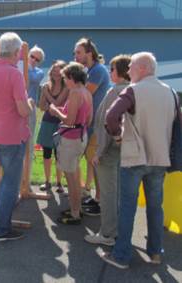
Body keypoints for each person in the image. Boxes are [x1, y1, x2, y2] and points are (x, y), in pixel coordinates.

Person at [100, 52, 175, 269]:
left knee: (127, 207)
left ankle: (121, 255)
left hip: (134, 158)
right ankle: (155, 252)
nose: (129, 70)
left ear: (142, 68)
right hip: (160, 158)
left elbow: (111, 117)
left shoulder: (133, 90)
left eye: (131, 66)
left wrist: (116, 136)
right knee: (155, 207)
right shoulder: (170, 91)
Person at [0, 32, 33, 241]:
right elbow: (23, 111)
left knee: (6, 181)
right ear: (15, 52)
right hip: (12, 136)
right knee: (11, 185)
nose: (21, 56)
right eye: (20, 53)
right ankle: (2, 229)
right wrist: (29, 103)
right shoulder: (14, 74)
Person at [84, 54, 131, 245]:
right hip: (125, 150)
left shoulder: (115, 92)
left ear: (118, 72)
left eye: (112, 69)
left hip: (110, 150)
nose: (109, 72)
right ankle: (117, 228)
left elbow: (107, 124)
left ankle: (108, 233)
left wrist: (99, 152)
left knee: (109, 193)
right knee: (119, 191)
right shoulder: (132, 90)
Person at [49, 62, 92, 225]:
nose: (64, 81)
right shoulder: (86, 92)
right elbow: (88, 119)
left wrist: (55, 111)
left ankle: (75, 213)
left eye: (65, 78)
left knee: (72, 178)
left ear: (72, 78)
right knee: (74, 174)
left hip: (70, 138)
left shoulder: (75, 93)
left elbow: (69, 120)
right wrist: (64, 110)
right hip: (81, 137)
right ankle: (77, 208)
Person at [73, 37, 110, 216]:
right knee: (92, 161)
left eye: (78, 52)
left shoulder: (97, 71)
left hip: (96, 124)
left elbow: (84, 94)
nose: (75, 56)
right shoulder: (91, 70)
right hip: (90, 123)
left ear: (90, 53)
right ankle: (97, 198)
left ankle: (101, 200)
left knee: (96, 162)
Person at [37, 60, 68, 194]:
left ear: (63, 73)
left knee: (59, 154)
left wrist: (46, 93)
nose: (56, 73)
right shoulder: (46, 86)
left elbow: (57, 102)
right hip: (47, 123)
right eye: (54, 70)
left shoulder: (66, 87)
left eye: (59, 71)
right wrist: (49, 105)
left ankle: (59, 183)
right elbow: (41, 106)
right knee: (46, 153)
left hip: (60, 123)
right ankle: (48, 181)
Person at [27, 45, 45, 182]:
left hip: (30, 109)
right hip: (15, 107)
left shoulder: (39, 72)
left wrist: (24, 65)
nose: (33, 60)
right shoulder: (19, 66)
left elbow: (31, 78)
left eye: (37, 59)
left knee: (29, 142)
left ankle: (26, 177)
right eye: (31, 56)